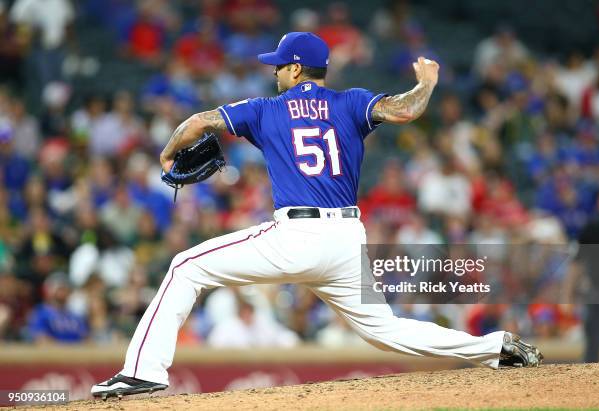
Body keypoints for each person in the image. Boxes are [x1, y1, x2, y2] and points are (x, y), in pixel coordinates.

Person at [92, 32, 542, 399]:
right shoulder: (351, 102)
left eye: (279, 64)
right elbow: (406, 109)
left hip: (297, 236)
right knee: (386, 330)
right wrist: (426, 83)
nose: (273, 71)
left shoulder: (265, 109)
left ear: (295, 67)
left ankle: (142, 371)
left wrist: (168, 155)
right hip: (347, 240)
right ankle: (495, 347)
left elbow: (199, 122)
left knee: (185, 266)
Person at [564, 177, 599, 362]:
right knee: (592, 350)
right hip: (598, 293)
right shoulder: (591, 229)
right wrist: (567, 297)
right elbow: (576, 264)